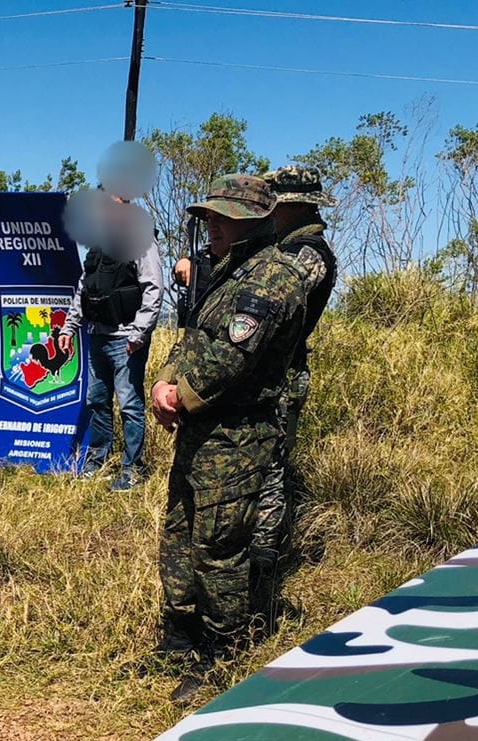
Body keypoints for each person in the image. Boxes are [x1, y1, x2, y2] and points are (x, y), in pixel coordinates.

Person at [149, 175, 311, 702]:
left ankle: (220, 658)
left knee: (219, 547)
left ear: (252, 221)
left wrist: (180, 395)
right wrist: (164, 380)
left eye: (221, 217)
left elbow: (233, 357)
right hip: (202, 430)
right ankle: (176, 640)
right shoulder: (229, 271)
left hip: (237, 435)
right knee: (179, 531)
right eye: (209, 216)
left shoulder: (274, 277)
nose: (210, 226)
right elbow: (196, 338)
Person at [251, 164, 338, 578]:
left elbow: (273, 307)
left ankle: (264, 559)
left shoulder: (308, 254)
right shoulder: (282, 247)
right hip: (264, 373)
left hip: (282, 376)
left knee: (271, 466)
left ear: (297, 207)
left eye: (276, 205)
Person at [58, 197, 165, 490]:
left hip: (126, 339)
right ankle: (97, 462)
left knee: (129, 405)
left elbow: (153, 287)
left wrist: (138, 333)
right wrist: (69, 327)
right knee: (97, 401)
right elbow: (84, 289)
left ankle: (132, 469)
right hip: (97, 335)